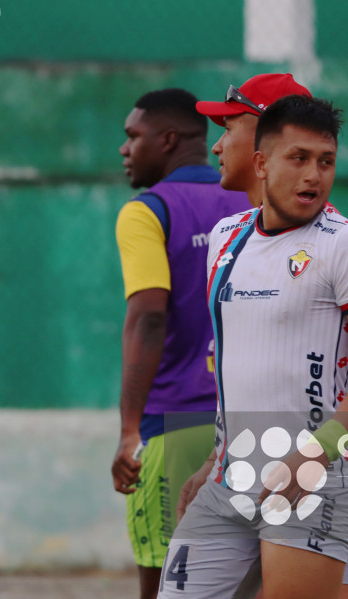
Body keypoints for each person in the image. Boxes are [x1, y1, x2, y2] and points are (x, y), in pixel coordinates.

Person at [158, 94, 348, 599]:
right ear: (262, 164)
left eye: (326, 161)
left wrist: (314, 456)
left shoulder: (347, 245)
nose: (314, 175)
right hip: (230, 478)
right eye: (299, 159)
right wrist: (212, 461)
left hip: (317, 478)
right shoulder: (226, 238)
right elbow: (238, 367)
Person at [111, 88, 252, 599]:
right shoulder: (253, 203)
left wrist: (130, 431)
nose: (125, 149)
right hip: (250, 424)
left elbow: (148, 316)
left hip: (173, 424)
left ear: (168, 140)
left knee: (166, 582)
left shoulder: (147, 211)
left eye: (133, 137)